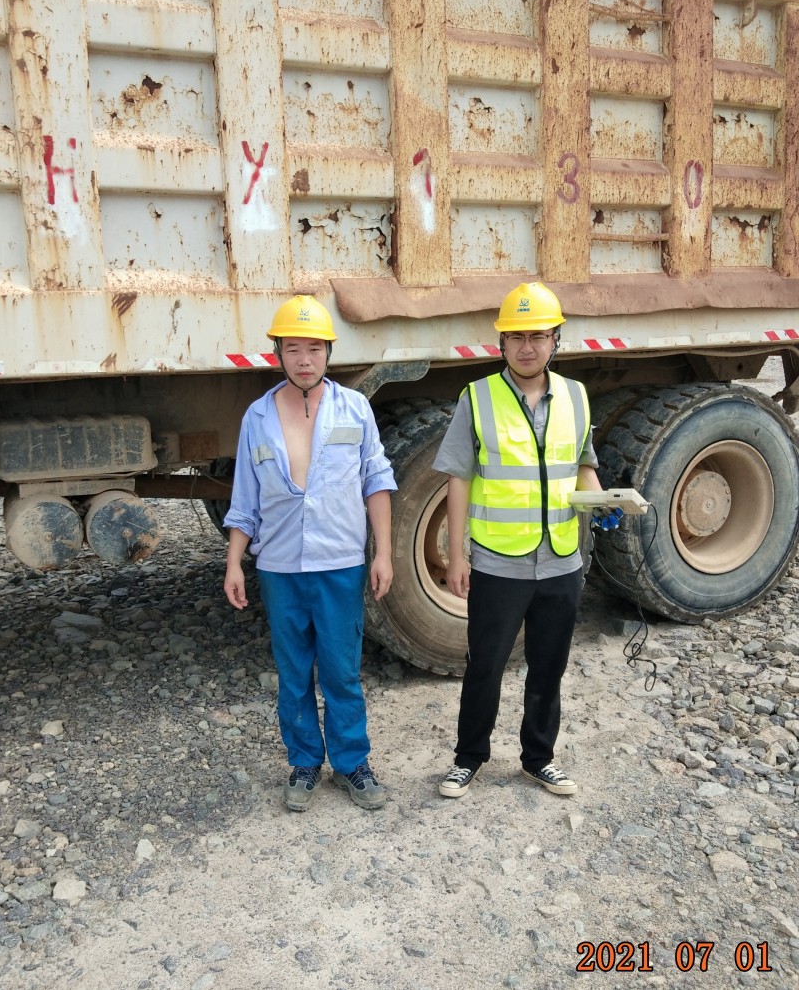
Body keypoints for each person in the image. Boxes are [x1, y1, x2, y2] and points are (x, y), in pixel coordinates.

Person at [223, 294, 396, 812]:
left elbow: (377, 481)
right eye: (293, 349)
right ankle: (303, 763)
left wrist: (383, 553)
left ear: (328, 353)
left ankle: (352, 763)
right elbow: (244, 500)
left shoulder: (355, 408)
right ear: (277, 353)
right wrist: (234, 563)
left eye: (314, 349)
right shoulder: (257, 417)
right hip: (280, 568)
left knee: (342, 671)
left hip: (340, 564)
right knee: (294, 672)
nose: (304, 359)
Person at [433, 282, 604, 799]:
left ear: (555, 340)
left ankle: (539, 759)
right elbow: (458, 478)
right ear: (501, 342)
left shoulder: (576, 396)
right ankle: (468, 759)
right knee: (485, 665)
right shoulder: (477, 397)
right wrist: (457, 555)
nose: (527, 347)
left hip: (561, 559)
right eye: (516, 337)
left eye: (537, 336)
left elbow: (583, 465)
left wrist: (605, 502)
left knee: (549, 667)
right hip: (498, 560)